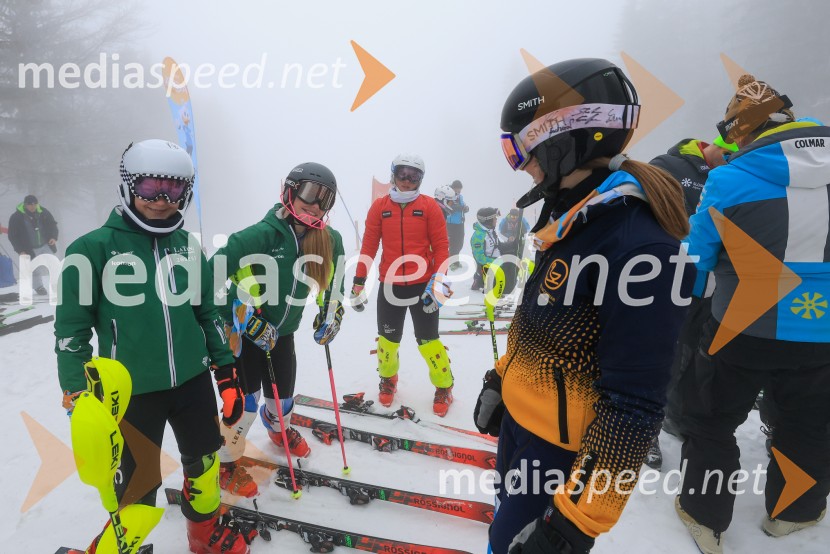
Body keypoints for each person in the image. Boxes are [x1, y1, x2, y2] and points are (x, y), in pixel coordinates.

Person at [473, 58, 693, 553]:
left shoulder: (640, 248)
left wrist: (572, 525)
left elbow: (634, 408)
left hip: (563, 458)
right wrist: (502, 377)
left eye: (521, 146)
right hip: (524, 431)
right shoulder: (573, 220)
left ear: (567, 136)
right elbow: (543, 324)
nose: (519, 163)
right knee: (499, 536)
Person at [55, 139, 252, 553]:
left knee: (205, 468)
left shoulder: (186, 246)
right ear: (128, 186)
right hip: (128, 393)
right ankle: (118, 546)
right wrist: (78, 394)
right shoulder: (91, 249)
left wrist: (227, 373)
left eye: (174, 189)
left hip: (191, 384)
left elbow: (208, 314)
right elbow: (72, 334)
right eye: (149, 188)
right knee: (138, 492)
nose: (161, 200)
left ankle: (203, 536)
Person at [676, 75, 830, 554]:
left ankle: (704, 516)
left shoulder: (729, 178)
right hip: (822, 330)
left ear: (744, 129)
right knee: (808, 422)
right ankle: (795, 512)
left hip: (740, 325)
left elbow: (695, 257)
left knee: (711, 420)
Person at [209, 162, 345, 498]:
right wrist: (246, 318)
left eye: (324, 199)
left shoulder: (328, 239)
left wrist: (332, 311)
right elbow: (207, 280)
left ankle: (277, 430)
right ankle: (224, 464)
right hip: (244, 335)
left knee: (282, 403)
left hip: (283, 335)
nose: (314, 205)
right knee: (245, 405)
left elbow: (336, 282)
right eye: (309, 193)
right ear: (289, 191)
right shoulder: (260, 236)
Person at [643, 136, 736, 470]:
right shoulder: (670, 165)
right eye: (727, 154)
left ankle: (674, 416)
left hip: (710, 286)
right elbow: (644, 214)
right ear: (715, 146)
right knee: (660, 354)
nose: (730, 161)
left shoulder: (736, 175)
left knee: (694, 355)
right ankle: (645, 430)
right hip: (665, 280)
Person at [350, 154, 455, 416]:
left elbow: (441, 246)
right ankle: (389, 380)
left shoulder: (429, 206)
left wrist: (439, 281)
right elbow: (369, 245)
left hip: (424, 286)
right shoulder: (379, 207)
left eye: (414, 176)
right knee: (388, 342)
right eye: (402, 174)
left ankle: (444, 387)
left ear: (421, 179)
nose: (407, 181)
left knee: (428, 340)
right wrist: (359, 280)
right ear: (393, 175)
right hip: (390, 285)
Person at [8, 194, 59, 295]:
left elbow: (52, 224)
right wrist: (20, 250)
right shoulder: (16, 217)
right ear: (25, 205)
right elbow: (13, 236)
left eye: (35, 204)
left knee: (53, 265)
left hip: (45, 244)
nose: (33, 206)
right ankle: (38, 287)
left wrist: (53, 237)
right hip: (29, 248)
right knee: (35, 269)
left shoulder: (43, 212)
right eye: (30, 204)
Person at [497, 208, 531, 295]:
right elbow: (500, 232)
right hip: (509, 245)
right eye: (512, 216)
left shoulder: (522, 220)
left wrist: (520, 238)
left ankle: (521, 278)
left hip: (520, 244)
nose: (514, 218)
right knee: (511, 261)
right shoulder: (505, 221)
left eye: (515, 216)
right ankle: (511, 278)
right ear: (509, 215)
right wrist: (508, 238)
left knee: (521, 260)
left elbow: (527, 230)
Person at [470, 207, 502, 292]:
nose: (496, 220)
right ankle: (481, 281)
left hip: (494, 260)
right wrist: (497, 261)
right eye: (494, 218)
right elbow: (479, 258)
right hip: (486, 266)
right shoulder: (479, 236)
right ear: (488, 220)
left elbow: (496, 245)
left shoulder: (490, 231)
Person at [445, 180, 469, 269]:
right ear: (452, 188)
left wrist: (466, 208)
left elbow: (463, 206)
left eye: (459, 191)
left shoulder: (460, 197)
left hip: (460, 223)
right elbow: (449, 207)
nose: (458, 192)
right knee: (453, 243)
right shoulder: (448, 196)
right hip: (451, 224)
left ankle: (454, 260)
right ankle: (453, 262)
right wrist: (461, 208)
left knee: (460, 243)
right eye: (457, 190)